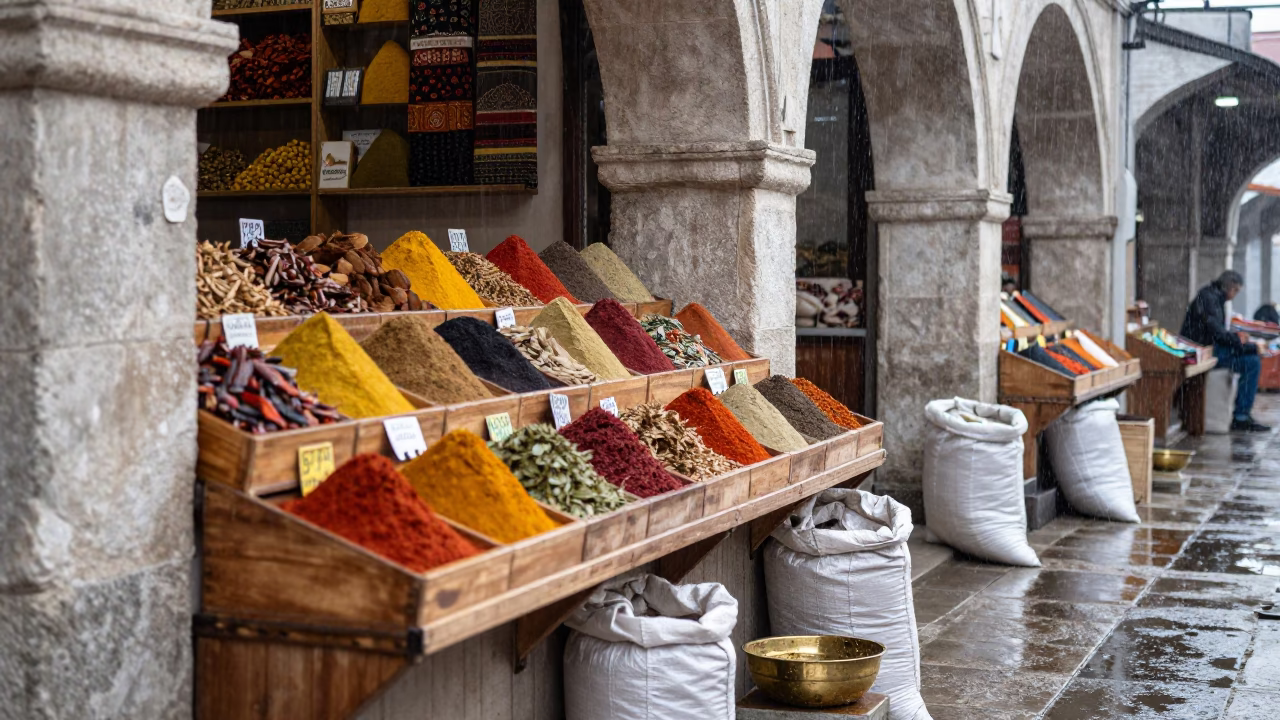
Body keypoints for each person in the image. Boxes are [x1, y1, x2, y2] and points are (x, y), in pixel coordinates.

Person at [1181, 270, 1271, 432]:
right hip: (1203, 353)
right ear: (1231, 288)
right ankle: (1241, 416)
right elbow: (1218, 334)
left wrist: (1239, 339)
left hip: (1206, 349)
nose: (1234, 295)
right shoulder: (1210, 299)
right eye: (1236, 291)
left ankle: (1242, 414)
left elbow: (1219, 333)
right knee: (1251, 362)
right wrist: (1248, 345)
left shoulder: (1210, 296)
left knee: (1252, 357)